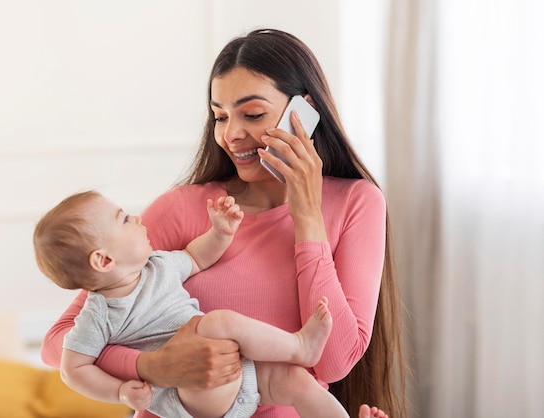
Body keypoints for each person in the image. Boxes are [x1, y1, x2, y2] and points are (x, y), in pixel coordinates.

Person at [41, 28, 406, 417]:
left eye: (252, 114)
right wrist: (151, 366)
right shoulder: (182, 208)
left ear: (304, 112)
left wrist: (307, 218)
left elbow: (333, 362)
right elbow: (57, 343)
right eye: (220, 116)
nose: (231, 134)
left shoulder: (356, 203)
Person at [33, 190, 348, 417]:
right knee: (214, 324)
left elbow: (196, 257)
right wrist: (118, 391)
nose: (138, 217)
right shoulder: (98, 315)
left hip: (242, 378)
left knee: (298, 382)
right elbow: (72, 369)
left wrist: (220, 233)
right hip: (191, 395)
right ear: (103, 260)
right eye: (125, 220)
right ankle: (299, 348)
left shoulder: (158, 266)